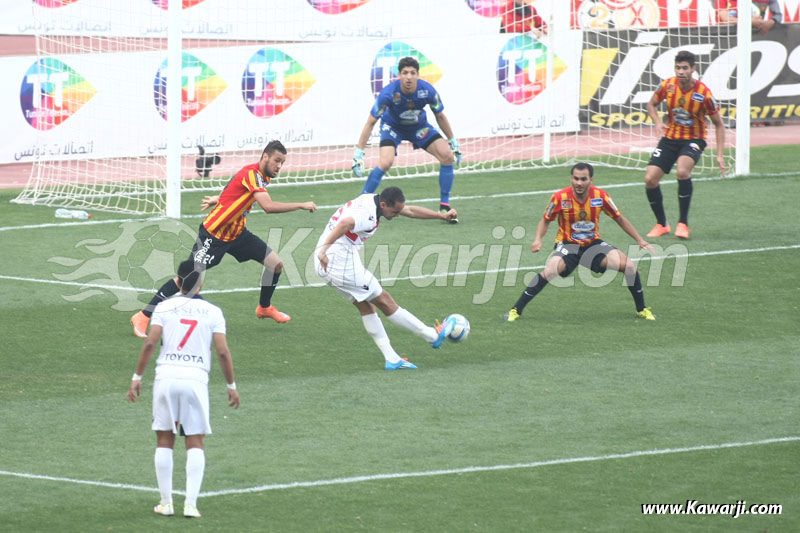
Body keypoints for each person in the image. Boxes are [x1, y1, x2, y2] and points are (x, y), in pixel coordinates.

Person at [131, 140, 317, 337]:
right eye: (277, 161)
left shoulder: (261, 176)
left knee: (275, 264)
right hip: (214, 236)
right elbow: (268, 207)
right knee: (189, 278)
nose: (279, 166)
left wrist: (218, 199)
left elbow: (233, 186)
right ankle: (143, 315)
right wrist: (301, 204)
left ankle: (264, 307)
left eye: (283, 162)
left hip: (238, 234)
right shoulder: (252, 174)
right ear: (265, 157)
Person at [126, 259, 240, 519]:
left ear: (178, 281)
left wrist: (137, 377)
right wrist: (231, 385)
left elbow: (149, 344)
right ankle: (190, 504)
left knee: (164, 438)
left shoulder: (164, 307)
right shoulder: (213, 312)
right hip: (195, 379)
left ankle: (166, 503)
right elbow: (222, 352)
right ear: (201, 282)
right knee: (195, 441)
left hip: (166, 375)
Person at [315, 186, 459, 370]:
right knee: (384, 300)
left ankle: (391, 358)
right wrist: (323, 251)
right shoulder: (367, 215)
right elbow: (345, 224)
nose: (398, 214)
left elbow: (410, 211)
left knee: (365, 305)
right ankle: (432, 336)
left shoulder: (373, 200)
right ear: (384, 204)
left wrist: (441, 216)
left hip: (326, 262)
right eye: (395, 211)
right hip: (337, 262)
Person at [504, 162, 656, 322]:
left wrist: (639, 240)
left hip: (593, 244)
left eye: (583, 179)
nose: (579, 183)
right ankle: (516, 310)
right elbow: (545, 220)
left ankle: (642, 309)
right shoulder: (560, 198)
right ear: (571, 178)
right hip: (567, 245)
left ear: (591, 179)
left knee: (629, 266)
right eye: (576, 179)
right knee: (550, 271)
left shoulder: (601, 196)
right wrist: (538, 239)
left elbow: (619, 218)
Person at [352, 56, 461, 223]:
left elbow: (440, 116)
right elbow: (371, 122)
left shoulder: (428, 91)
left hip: (418, 128)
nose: (408, 77)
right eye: (404, 73)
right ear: (399, 75)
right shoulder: (388, 93)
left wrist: (452, 140)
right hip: (392, 127)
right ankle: (361, 204)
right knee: (386, 162)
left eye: (412, 73)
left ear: (418, 75)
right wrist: (359, 152)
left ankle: (444, 205)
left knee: (447, 156)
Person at [644, 50, 726, 240]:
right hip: (670, 138)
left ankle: (683, 224)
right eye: (678, 68)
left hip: (694, 139)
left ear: (693, 69)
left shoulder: (703, 94)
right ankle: (662, 224)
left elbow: (719, 124)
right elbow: (651, 104)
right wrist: (657, 122)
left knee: (682, 171)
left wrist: (720, 155)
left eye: (685, 68)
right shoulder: (668, 86)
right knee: (650, 179)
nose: (681, 71)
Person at [716, 0, 782, 34]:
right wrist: (749, 21)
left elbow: (778, 15)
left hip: (755, 35)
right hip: (728, 36)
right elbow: (725, 18)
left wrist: (772, 21)